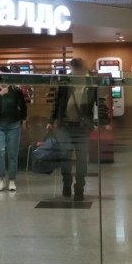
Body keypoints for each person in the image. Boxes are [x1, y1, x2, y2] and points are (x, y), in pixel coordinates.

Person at [47, 58, 102, 201]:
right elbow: (57, 102)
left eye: (77, 69)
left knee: (82, 159)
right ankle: (66, 184)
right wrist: (51, 120)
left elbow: (100, 102)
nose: (75, 71)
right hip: (65, 125)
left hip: (82, 127)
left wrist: (103, 121)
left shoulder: (91, 83)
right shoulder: (65, 82)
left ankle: (79, 189)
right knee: (65, 157)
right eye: (73, 69)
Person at [0, 66, 27, 192]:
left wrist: (24, 121)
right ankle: (1, 178)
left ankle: (12, 180)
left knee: (12, 154)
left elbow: (23, 106)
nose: (0, 78)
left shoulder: (16, 91)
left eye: (2, 75)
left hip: (14, 124)